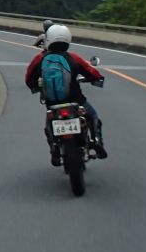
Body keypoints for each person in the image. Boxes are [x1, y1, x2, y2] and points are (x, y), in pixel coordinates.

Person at [24, 24, 107, 165]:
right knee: (92, 116)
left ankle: (54, 148)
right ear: (67, 39)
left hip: (52, 103)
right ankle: (97, 141)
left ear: (49, 39)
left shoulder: (40, 59)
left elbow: (29, 78)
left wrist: (35, 86)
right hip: (76, 100)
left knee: (49, 123)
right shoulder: (73, 58)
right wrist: (97, 78)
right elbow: (91, 72)